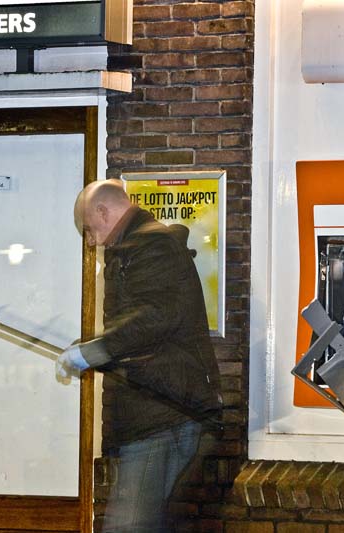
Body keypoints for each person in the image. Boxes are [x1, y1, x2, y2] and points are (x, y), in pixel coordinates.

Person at [57, 179, 221, 532]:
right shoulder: (141, 245)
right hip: (160, 407)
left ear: (103, 211)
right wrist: (88, 346)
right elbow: (141, 321)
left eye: (88, 229)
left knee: (129, 526)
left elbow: (155, 315)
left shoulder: (151, 245)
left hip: (161, 413)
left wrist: (96, 350)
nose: (91, 241)